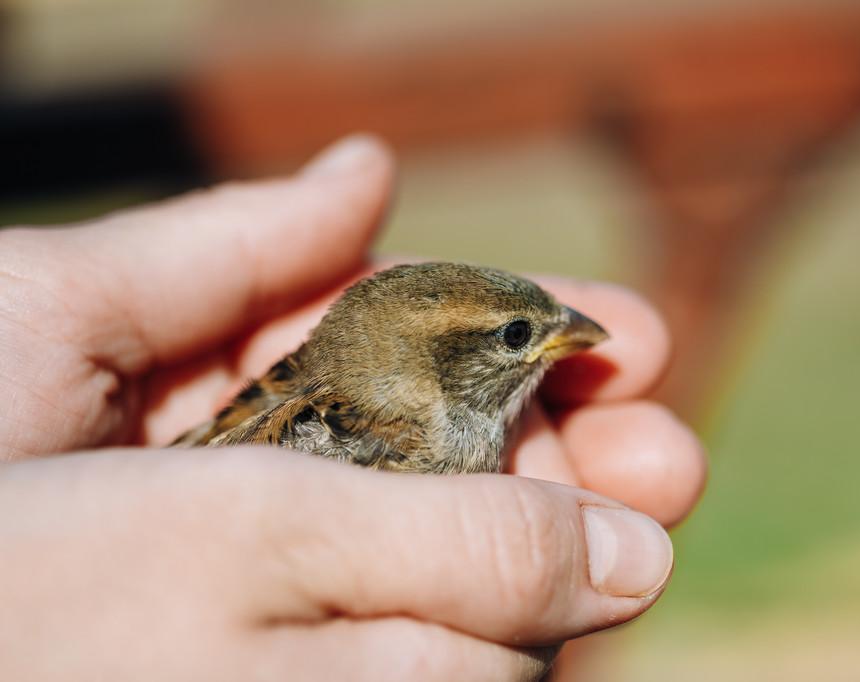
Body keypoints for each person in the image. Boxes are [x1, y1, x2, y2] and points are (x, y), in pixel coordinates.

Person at [0, 135, 706, 681]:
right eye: (517, 337)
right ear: (437, 365)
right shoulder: (380, 441)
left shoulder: (347, 402)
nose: (571, 334)